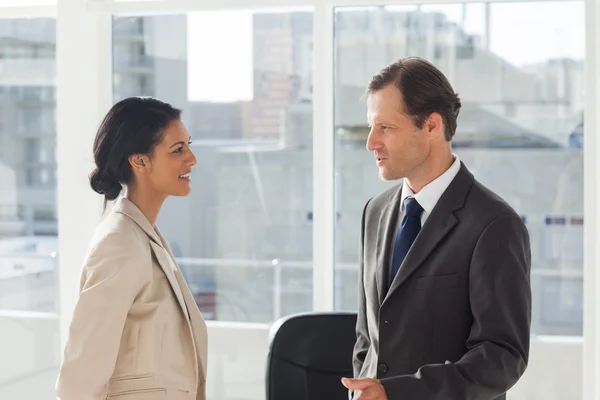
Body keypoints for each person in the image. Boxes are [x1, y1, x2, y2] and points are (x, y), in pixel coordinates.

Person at [341, 57, 532, 400]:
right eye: (371, 127)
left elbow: (503, 356)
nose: (371, 142)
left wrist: (399, 393)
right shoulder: (376, 211)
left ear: (431, 126)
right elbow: (367, 338)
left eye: (386, 127)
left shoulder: (494, 225)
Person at [56, 97, 207, 400]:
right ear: (139, 161)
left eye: (188, 145)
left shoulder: (144, 236)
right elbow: (79, 381)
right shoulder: (119, 244)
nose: (192, 159)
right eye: (177, 150)